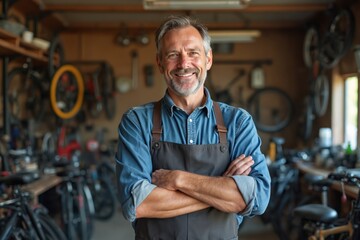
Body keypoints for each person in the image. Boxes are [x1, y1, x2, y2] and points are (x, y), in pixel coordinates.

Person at [115, 15, 271, 239]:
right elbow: (138, 204)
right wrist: (222, 189)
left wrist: (180, 179)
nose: (184, 63)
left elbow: (257, 199)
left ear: (208, 59)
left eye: (193, 53)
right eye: (172, 55)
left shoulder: (238, 122)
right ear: (160, 63)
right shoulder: (137, 121)